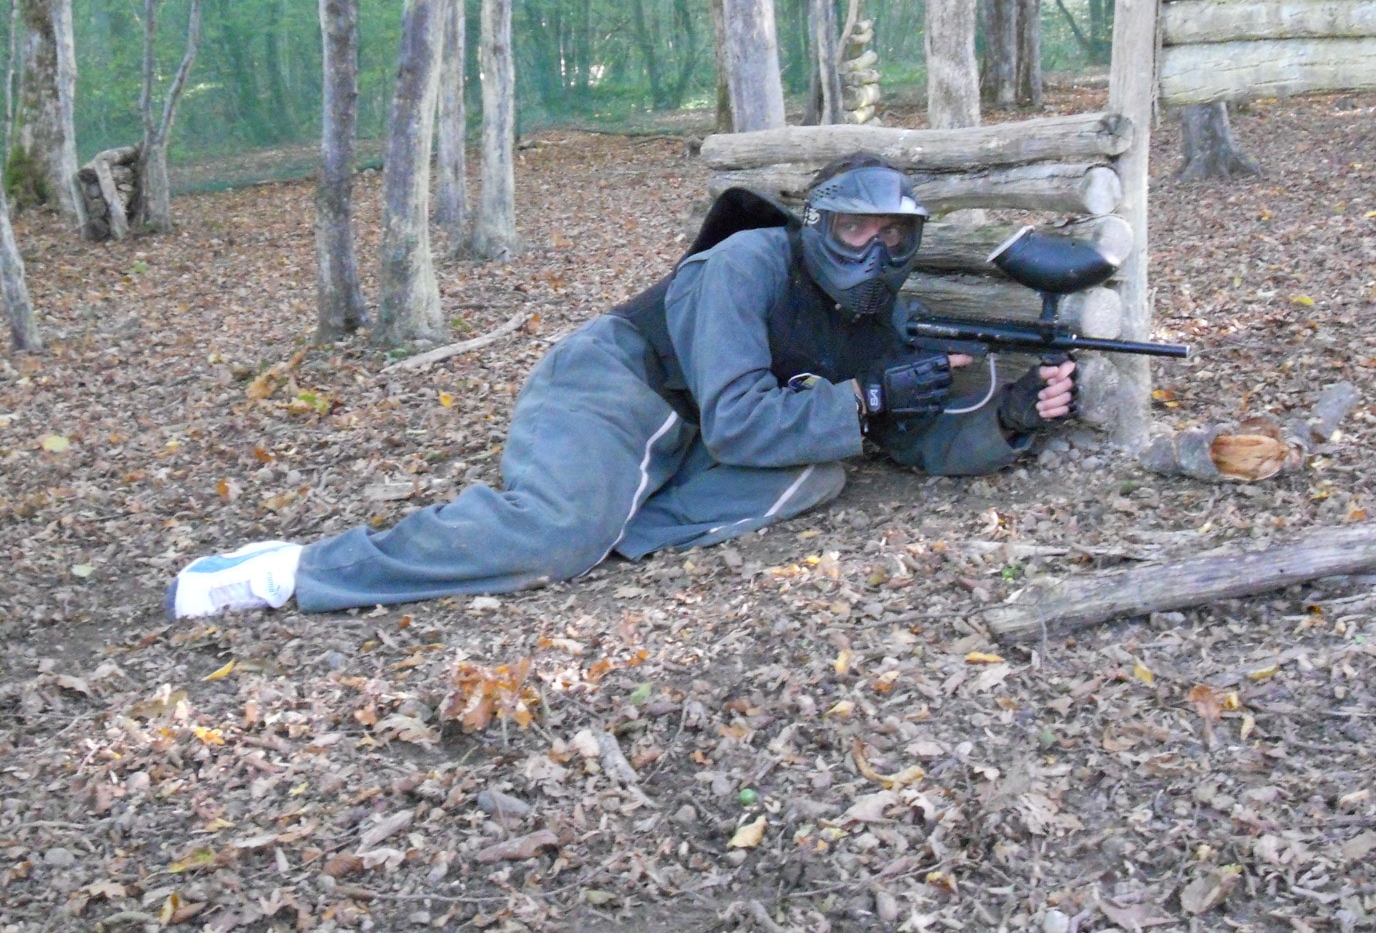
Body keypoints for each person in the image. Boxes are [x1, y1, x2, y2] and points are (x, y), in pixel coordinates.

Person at [168, 153, 1074, 619]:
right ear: (816, 229)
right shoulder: (745, 264)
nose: (872, 254)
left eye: (891, 238)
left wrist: (1005, 417)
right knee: (555, 534)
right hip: (615, 388)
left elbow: (905, 437)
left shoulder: (883, 316)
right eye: (853, 233)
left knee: (823, 474)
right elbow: (740, 417)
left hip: (688, 438)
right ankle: (294, 572)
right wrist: (867, 400)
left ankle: (606, 525)